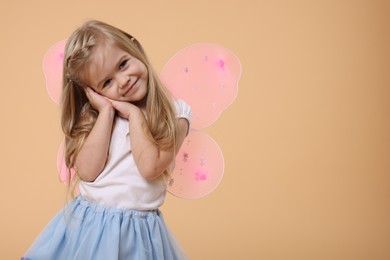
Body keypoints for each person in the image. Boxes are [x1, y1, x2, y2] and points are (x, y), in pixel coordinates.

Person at [22, 20, 191, 260]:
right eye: (106, 83)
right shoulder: (98, 120)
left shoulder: (175, 115)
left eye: (123, 64)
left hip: (140, 233)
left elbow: (150, 167)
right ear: (94, 92)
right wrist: (105, 113)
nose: (123, 81)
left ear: (135, 48)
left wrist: (134, 115)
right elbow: (88, 172)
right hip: (91, 228)